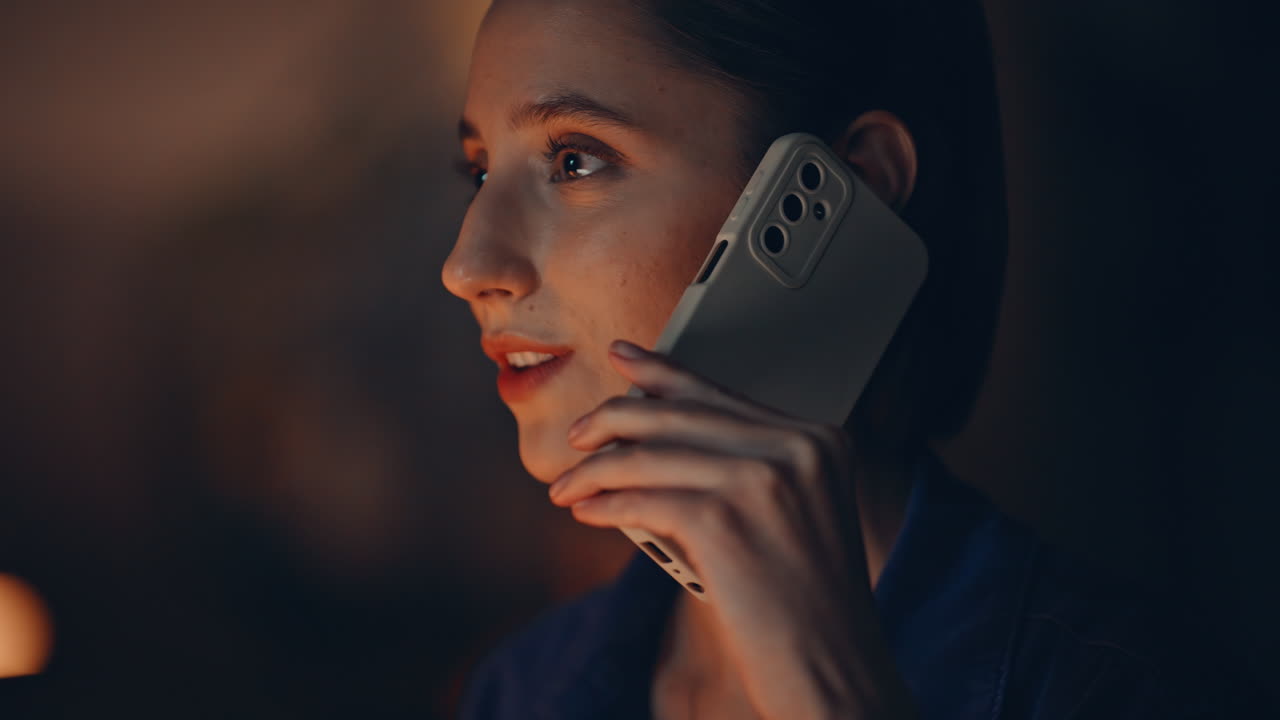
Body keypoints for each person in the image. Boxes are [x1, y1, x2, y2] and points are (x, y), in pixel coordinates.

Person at [441, 0, 1203, 717]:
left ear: (858, 187)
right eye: (479, 172)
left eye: (575, 160)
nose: (467, 266)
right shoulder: (520, 691)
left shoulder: (1118, 687)